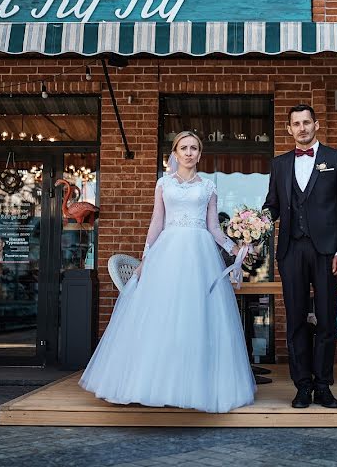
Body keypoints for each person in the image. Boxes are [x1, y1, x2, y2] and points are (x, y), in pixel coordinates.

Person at [79, 131, 256, 413]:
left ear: (200, 153)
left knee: (196, 317)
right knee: (161, 316)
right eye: (183, 148)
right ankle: (146, 384)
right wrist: (146, 257)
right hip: (168, 252)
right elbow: (156, 223)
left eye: (194, 148)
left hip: (200, 255)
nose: (188, 152)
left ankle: (195, 386)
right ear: (174, 153)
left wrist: (237, 250)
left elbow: (214, 228)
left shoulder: (209, 187)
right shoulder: (163, 183)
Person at [263, 104, 337, 409]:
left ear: (316, 124)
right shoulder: (279, 164)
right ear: (289, 129)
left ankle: (323, 385)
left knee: (326, 319)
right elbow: (272, 204)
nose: (301, 128)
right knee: (295, 320)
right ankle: (302, 385)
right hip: (291, 250)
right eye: (295, 124)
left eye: (306, 122)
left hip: (327, 251)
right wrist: (255, 221)